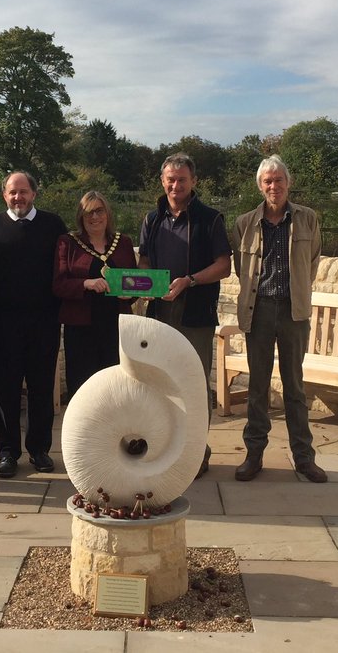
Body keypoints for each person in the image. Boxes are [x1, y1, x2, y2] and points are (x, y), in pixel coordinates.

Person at [232, 155, 327, 483]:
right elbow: (240, 269)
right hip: (258, 312)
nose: (274, 186)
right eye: (267, 181)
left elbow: (311, 263)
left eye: (279, 180)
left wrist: (296, 293)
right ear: (260, 186)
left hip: (293, 311)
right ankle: (254, 454)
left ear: (288, 183)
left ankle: (304, 458)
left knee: (295, 387)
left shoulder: (307, 219)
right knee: (257, 387)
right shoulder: (244, 224)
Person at [138, 152, 231, 477]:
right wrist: (146, 284)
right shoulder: (152, 219)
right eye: (170, 180)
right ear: (163, 182)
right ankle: (165, 447)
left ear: (193, 182)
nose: (175, 185)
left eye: (182, 179)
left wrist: (189, 281)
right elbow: (145, 262)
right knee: (158, 381)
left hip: (195, 312)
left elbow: (224, 266)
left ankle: (196, 452)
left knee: (192, 382)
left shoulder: (210, 218)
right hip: (160, 311)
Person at [0, 171, 67, 478]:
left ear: (34, 193)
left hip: (43, 322)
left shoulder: (54, 225)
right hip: (1, 324)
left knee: (42, 389)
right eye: (12, 192)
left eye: (23, 191)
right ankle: (7, 452)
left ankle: (39, 449)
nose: (18, 197)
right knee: (4, 390)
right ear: (4, 195)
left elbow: (65, 269)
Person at [52, 190, 137, 397]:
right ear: (81, 216)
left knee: (118, 387)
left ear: (108, 213)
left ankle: (117, 430)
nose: (95, 217)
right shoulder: (68, 242)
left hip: (116, 329)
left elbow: (134, 283)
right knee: (84, 390)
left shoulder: (123, 242)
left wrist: (130, 294)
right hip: (81, 331)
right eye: (88, 212)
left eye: (99, 211)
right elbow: (58, 285)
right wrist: (86, 283)